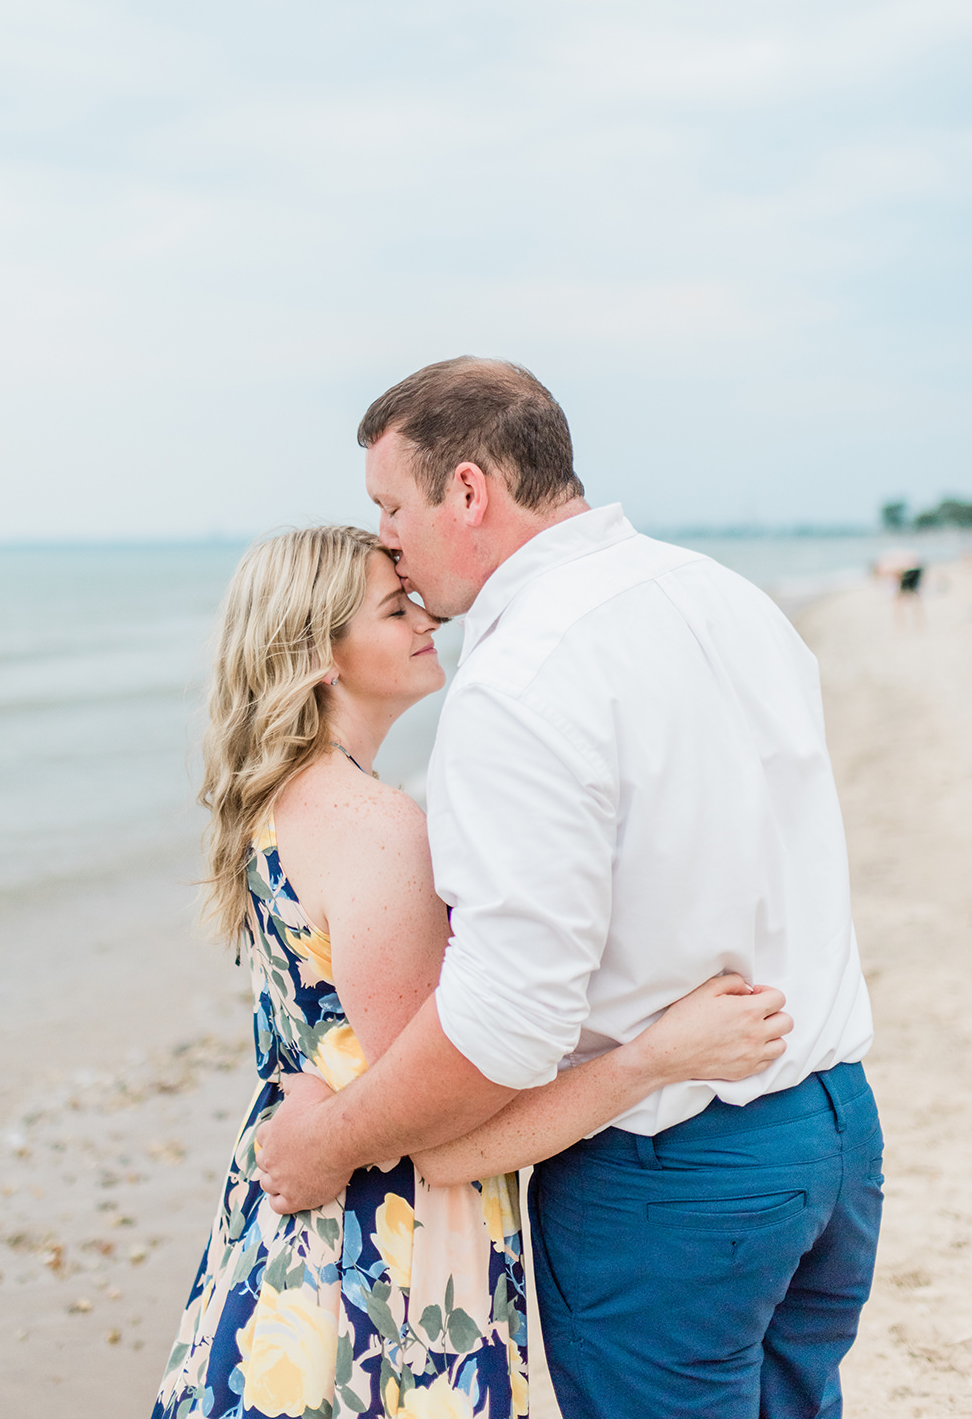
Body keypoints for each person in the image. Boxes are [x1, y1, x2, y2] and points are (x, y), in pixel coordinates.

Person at [254, 359, 883, 1419]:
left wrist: (336, 1142)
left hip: (672, 1171)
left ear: (466, 491)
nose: (389, 542)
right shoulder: (725, 597)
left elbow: (508, 1022)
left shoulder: (523, 680)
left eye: (390, 506)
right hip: (831, 1129)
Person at [151, 524, 791, 1419]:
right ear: (319, 654)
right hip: (387, 1249)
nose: (427, 617)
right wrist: (655, 1056)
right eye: (391, 607)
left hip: (299, 1223)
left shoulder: (281, 802)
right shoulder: (373, 826)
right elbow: (443, 1124)